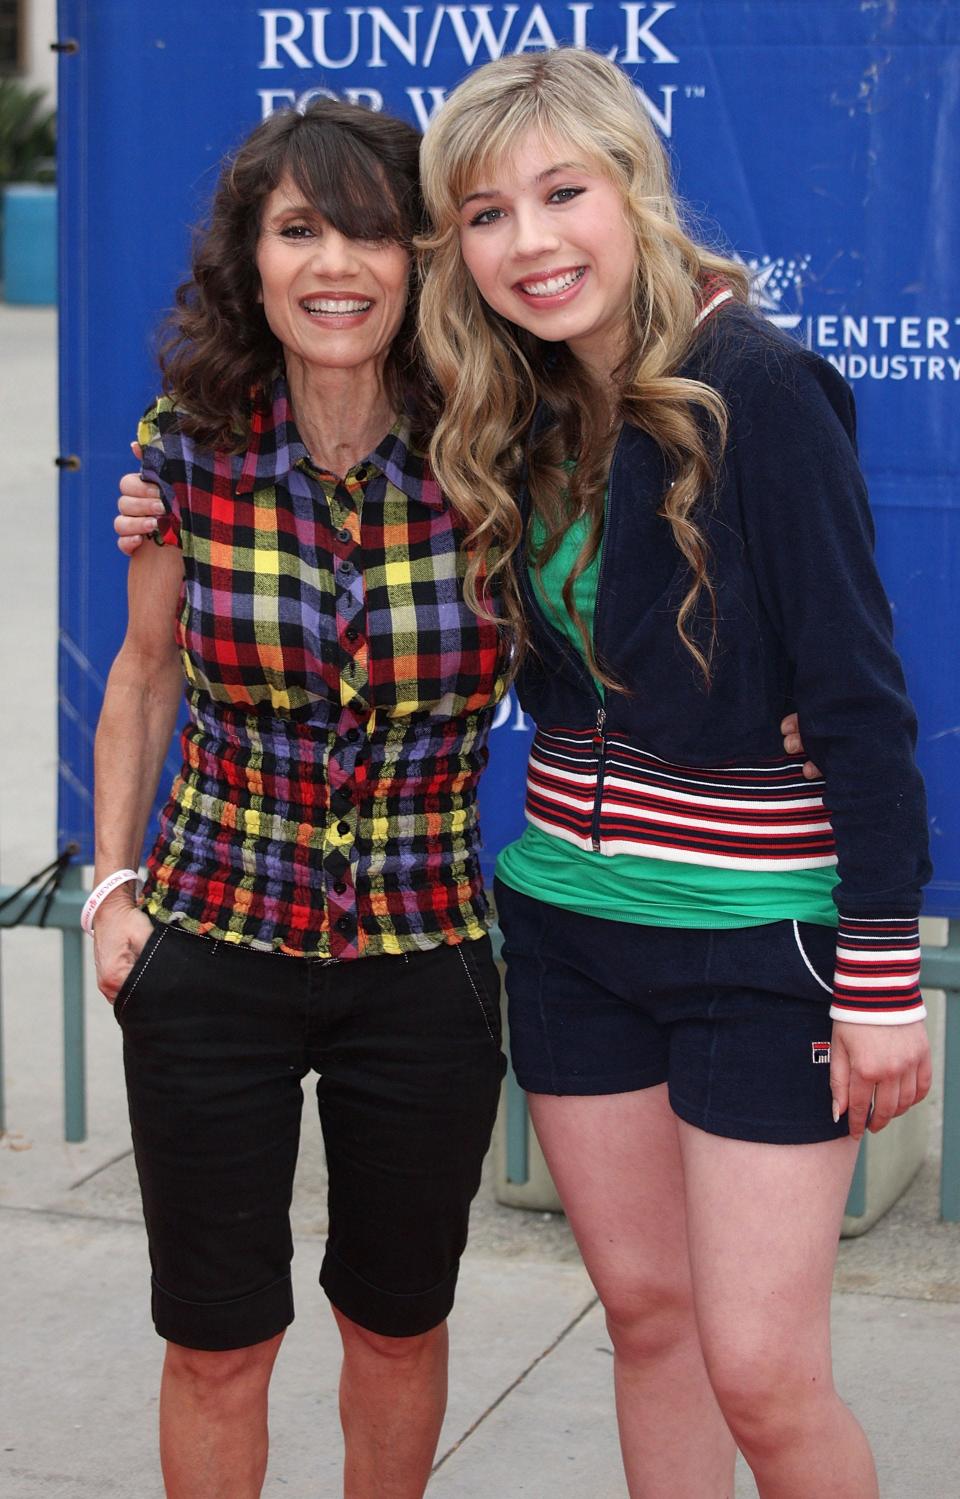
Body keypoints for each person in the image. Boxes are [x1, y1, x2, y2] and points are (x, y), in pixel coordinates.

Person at [411, 47, 933, 1499]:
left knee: (765, 1373)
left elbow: (861, 702)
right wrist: (162, 476)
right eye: (485, 214)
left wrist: (882, 974)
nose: (530, 241)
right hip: (574, 933)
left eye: (561, 192)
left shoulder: (757, 386)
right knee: (647, 1323)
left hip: (760, 948)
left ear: (632, 190)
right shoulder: (512, 403)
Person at [90, 98, 507, 1499]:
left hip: (424, 960)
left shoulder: (491, 454)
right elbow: (144, 676)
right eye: (299, 229)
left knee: (396, 1325)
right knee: (217, 1341)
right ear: (253, 263)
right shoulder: (188, 447)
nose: (338, 264)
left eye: (374, 231)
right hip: (211, 951)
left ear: (425, 260)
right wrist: (110, 890)